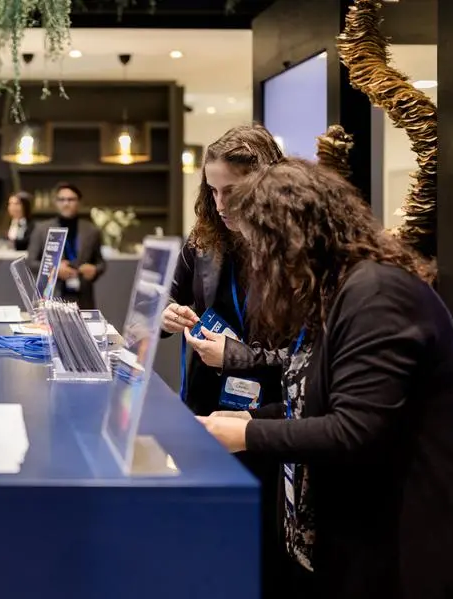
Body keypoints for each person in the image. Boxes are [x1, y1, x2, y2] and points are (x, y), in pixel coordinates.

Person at [198, 158, 453, 599]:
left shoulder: (378, 295)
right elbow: (311, 399)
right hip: (352, 543)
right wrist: (246, 419)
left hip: (404, 552)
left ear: (292, 239)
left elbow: (356, 429)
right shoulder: (333, 293)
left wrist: (248, 435)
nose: (259, 267)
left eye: (261, 250)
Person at [159, 124, 285, 599]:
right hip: (206, 404)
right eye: (212, 190)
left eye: (231, 190)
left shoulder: (290, 253)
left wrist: (236, 356)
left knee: (260, 541)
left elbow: (306, 356)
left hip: (268, 415)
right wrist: (169, 317)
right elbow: (165, 307)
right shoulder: (202, 244)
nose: (220, 204)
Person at [26, 182, 105, 310]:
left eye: (71, 199)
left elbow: (101, 263)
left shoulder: (91, 230)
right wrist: (55, 270)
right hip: (51, 295)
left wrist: (95, 270)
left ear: (79, 202)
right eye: (61, 199)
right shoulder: (41, 229)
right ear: (55, 203)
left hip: (83, 297)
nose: (66, 203)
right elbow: (31, 262)